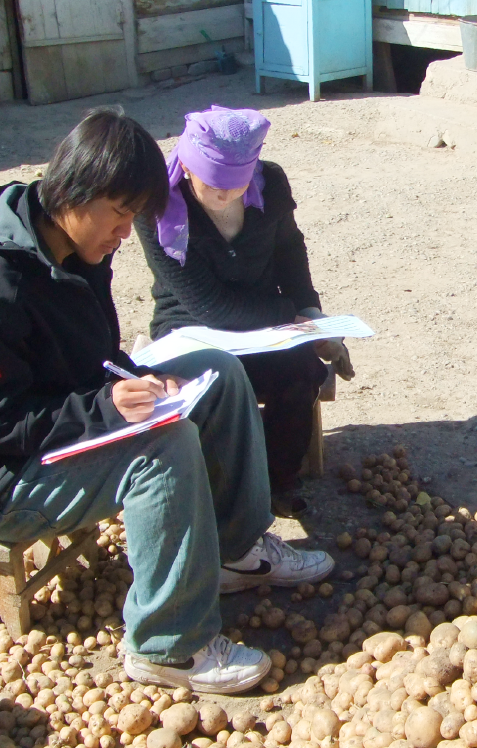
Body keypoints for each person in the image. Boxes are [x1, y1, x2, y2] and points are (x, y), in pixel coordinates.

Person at [0, 108, 334, 694]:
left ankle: (237, 551)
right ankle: (167, 644)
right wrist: (105, 408)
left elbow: (90, 356)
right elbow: (7, 423)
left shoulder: (77, 243)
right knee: (164, 445)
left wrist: (130, 378)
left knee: (219, 374)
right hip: (15, 475)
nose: (126, 233)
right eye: (121, 214)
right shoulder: (6, 279)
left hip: (67, 420)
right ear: (80, 192)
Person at [134, 106, 353, 518]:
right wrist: (288, 313)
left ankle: (273, 482)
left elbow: (290, 250)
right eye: (213, 186)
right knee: (209, 384)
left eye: (235, 188)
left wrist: (312, 315)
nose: (224, 198)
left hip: (264, 323)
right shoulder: (156, 208)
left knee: (300, 371)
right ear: (186, 166)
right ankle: (213, 488)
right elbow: (209, 305)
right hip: (191, 323)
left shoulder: (270, 182)